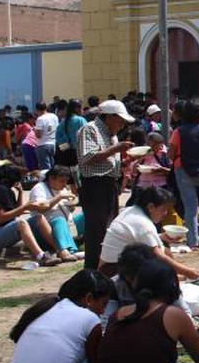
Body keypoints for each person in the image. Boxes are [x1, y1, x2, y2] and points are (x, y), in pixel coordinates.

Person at [78, 100, 136, 269]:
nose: (122, 125)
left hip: (109, 184)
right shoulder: (90, 129)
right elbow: (87, 157)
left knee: (110, 230)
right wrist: (116, 149)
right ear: (109, 117)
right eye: (120, 120)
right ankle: (92, 270)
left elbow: (108, 163)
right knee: (96, 232)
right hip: (95, 185)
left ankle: (106, 269)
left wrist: (126, 161)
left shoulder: (112, 135)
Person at [98, 186, 199, 280]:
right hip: (114, 272)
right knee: (159, 255)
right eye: (163, 209)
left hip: (107, 268)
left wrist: (161, 236)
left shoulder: (131, 210)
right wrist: (187, 271)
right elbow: (160, 256)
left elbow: (137, 238)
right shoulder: (143, 223)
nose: (165, 213)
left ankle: (170, 277)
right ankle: (167, 279)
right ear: (151, 207)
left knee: (163, 247)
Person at [0, 163, 61, 266]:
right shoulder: (0, 190)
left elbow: (16, 212)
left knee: (38, 218)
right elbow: (1, 218)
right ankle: (41, 256)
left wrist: (20, 193)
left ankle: (60, 250)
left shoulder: (7, 191)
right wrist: (24, 207)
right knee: (21, 223)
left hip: (2, 232)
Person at [169, 100, 199, 249]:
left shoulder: (179, 131)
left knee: (190, 208)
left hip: (184, 171)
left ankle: (192, 242)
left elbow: (171, 155)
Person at [29, 166, 84, 262]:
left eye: (66, 181)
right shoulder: (39, 188)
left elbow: (65, 207)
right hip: (47, 232)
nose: (65, 184)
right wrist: (60, 197)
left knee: (87, 216)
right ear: (51, 178)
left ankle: (90, 244)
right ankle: (65, 251)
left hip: (67, 227)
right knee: (59, 219)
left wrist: (70, 207)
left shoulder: (62, 188)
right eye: (62, 181)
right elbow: (41, 207)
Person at [56, 99, 87, 168]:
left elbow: (57, 137)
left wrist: (66, 144)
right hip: (79, 152)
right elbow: (86, 135)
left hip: (65, 152)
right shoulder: (81, 120)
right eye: (81, 108)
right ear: (76, 109)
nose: (83, 110)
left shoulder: (63, 121)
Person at [34, 102, 60, 172]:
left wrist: (34, 130)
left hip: (43, 145)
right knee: (53, 166)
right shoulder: (54, 116)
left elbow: (38, 135)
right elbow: (57, 128)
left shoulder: (40, 119)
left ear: (37, 110)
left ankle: (47, 181)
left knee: (45, 168)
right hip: (53, 144)